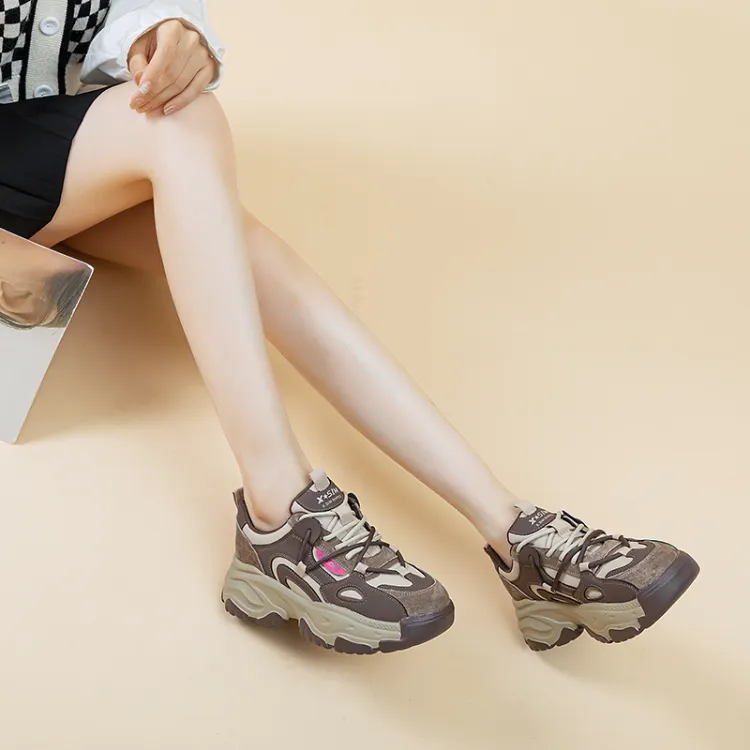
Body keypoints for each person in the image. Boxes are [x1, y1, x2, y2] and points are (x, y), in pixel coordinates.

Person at [0, 0, 699, 654]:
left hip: (40, 151)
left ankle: (516, 533)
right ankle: (278, 514)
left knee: (219, 197)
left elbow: (133, 24)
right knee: (183, 126)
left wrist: (169, 37)